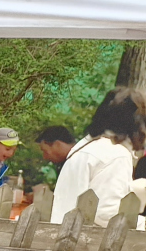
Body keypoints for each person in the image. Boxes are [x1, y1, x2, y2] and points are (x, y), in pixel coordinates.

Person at [45, 93, 144, 226]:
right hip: (83, 237)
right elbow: (107, 213)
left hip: (61, 232)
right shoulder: (116, 154)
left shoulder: (85, 147)